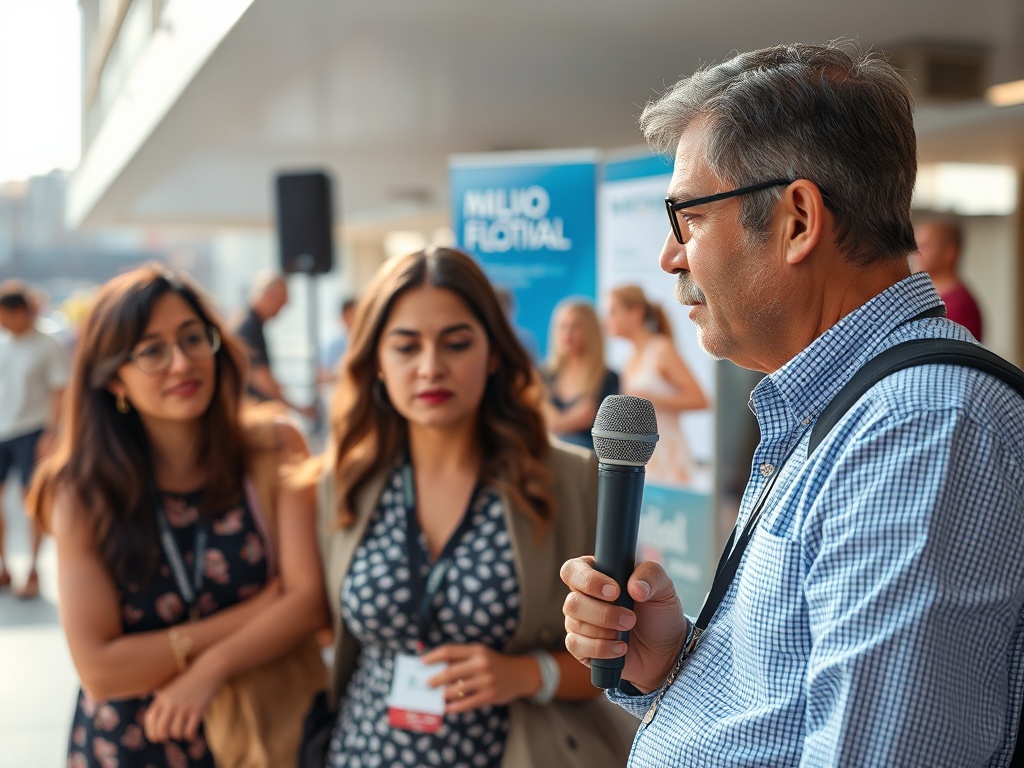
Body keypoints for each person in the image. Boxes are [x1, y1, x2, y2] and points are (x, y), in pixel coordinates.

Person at [560, 41, 1024, 767]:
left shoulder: (916, 429)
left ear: (798, 220)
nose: (670, 256)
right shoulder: (843, 407)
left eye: (688, 217)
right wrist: (679, 663)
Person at [315, 246, 636, 767]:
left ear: (493, 354)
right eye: (405, 346)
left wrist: (529, 673)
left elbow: (621, 658)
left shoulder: (572, 479)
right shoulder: (347, 481)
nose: (430, 367)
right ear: (376, 359)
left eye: (456, 343)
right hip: (362, 750)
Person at [27, 265, 328, 767]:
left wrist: (208, 667)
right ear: (114, 379)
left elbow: (308, 603)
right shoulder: (83, 491)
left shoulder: (275, 446)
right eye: (151, 351)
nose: (182, 362)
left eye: (193, 339)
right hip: (135, 742)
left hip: (265, 732)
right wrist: (255, 613)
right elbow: (101, 670)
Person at [0, 280, 69, 599]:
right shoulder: (3, 341)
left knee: (31, 503)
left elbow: (60, 391)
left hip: (32, 430)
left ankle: (31, 569)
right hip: (2, 430)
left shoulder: (47, 344)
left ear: (17, 312)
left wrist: (51, 433)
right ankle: (3, 566)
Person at [605, 284, 708, 485]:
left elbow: (700, 400)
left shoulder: (661, 350)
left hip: (668, 456)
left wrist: (650, 399)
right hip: (644, 457)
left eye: (613, 312)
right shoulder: (630, 359)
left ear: (635, 313)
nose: (606, 320)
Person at [539, 298, 619, 450]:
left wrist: (555, 421)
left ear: (590, 331)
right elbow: (544, 421)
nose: (567, 334)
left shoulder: (607, 378)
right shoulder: (545, 374)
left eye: (575, 327)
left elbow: (591, 419)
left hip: (588, 462)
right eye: (562, 326)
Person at [235, 271, 316, 418]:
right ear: (270, 296)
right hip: (253, 411)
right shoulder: (250, 326)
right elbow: (261, 378)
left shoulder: (250, 323)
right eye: (281, 303)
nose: (281, 311)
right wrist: (297, 408)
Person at [914, 218, 984, 341]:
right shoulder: (927, 298)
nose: (918, 253)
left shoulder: (960, 305)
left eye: (926, 246)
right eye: (917, 245)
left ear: (950, 252)